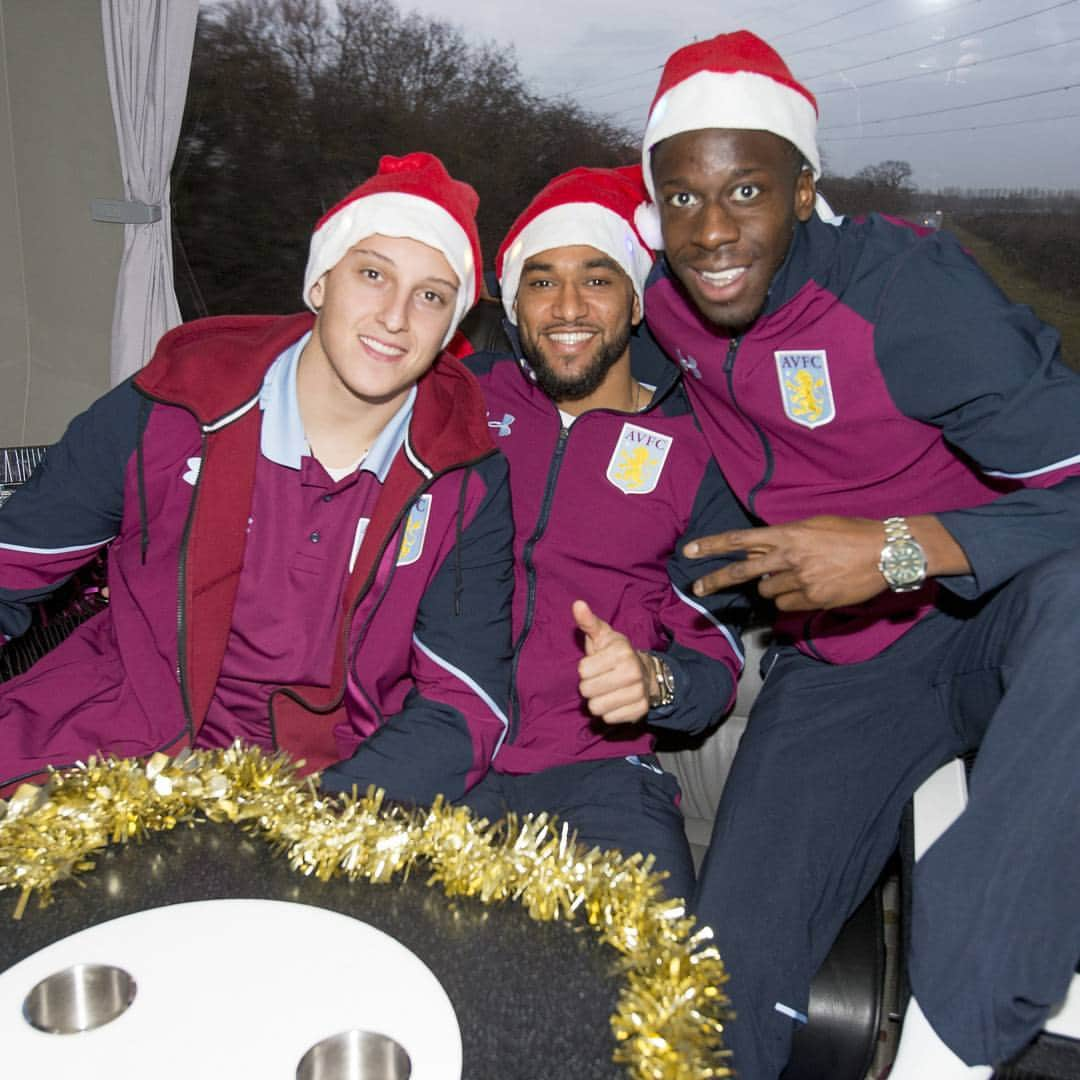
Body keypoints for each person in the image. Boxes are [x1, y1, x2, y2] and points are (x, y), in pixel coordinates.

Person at [637, 29, 1080, 1080]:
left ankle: (975, 1014)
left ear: (803, 189)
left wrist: (898, 548)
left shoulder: (907, 294)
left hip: (997, 625)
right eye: (682, 200)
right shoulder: (661, 304)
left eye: (745, 191)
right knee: (712, 998)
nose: (709, 232)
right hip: (843, 671)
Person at [0, 152, 514, 806]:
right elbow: (12, 564)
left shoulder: (463, 476)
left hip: (330, 784)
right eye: (372, 274)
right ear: (321, 282)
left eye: (431, 296)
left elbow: (464, 704)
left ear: (451, 328)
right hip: (116, 739)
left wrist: (317, 820)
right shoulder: (177, 402)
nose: (394, 316)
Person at [457, 165, 750, 900]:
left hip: (599, 780)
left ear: (637, 301)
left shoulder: (700, 449)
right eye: (541, 280)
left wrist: (654, 680)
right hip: (439, 754)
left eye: (597, 278)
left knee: (659, 1000)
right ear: (514, 303)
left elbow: (715, 658)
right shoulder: (458, 402)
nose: (567, 307)